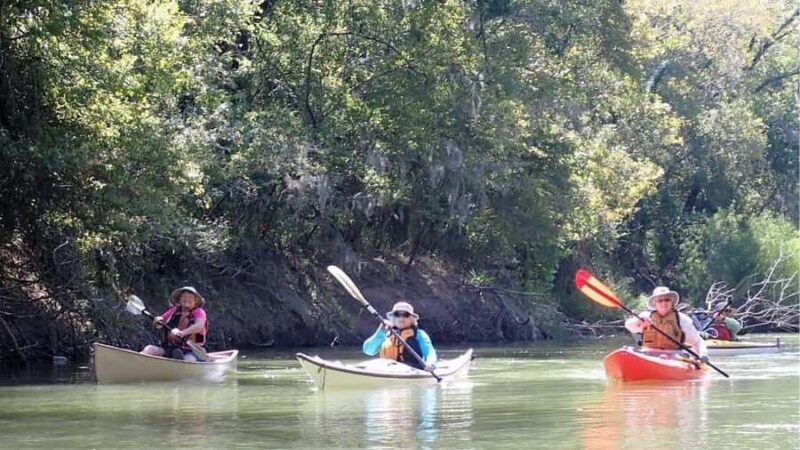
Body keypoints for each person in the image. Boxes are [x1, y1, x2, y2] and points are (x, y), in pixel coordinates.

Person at [625, 286, 709, 364]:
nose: (664, 303)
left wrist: (702, 354)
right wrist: (639, 323)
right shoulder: (645, 316)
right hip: (648, 354)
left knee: (670, 357)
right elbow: (628, 325)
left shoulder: (682, 320)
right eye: (660, 300)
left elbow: (697, 341)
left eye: (667, 300)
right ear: (655, 303)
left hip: (674, 356)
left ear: (672, 302)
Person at [362, 302, 437, 371]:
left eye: (406, 315)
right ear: (393, 318)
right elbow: (368, 351)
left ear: (412, 319)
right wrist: (381, 331)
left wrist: (431, 364)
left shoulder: (419, 334)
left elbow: (430, 351)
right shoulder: (386, 333)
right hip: (387, 370)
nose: (401, 318)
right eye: (397, 314)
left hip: (412, 371)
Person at [141, 286, 208, 361]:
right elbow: (161, 322)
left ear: (195, 301)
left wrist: (182, 333)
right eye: (184, 297)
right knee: (149, 349)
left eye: (190, 297)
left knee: (189, 360)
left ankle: (179, 362)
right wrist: (158, 321)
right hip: (171, 347)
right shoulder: (175, 309)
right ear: (179, 299)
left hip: (191, 350)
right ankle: (136, 362)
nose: (186, 299)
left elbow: (199, 325)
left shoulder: (199, 312)